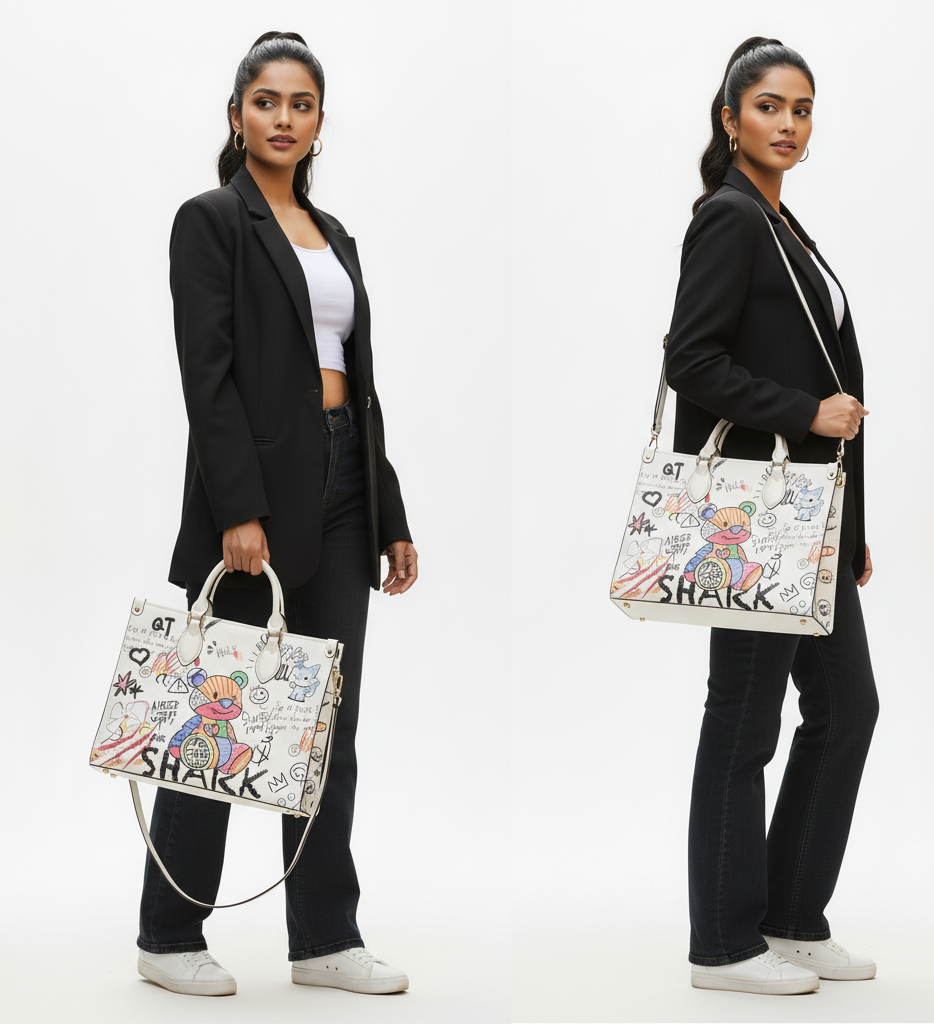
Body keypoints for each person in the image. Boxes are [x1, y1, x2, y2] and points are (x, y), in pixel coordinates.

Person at [135, 31, 418, 998]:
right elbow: (206, 380)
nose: (283, 118)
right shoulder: (210, 222)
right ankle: (169, 935)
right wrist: (236, 511)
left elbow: (361, 384)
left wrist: (390, 513)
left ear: (320, 122)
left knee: (326, 714)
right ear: (237, 114)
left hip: (346, 486)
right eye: (266, 101)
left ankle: (325, 937)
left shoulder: (336, 236)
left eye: (301, 104)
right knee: (225, 707)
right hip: (254, 495)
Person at [664, 37, 879, 996]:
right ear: (730, 120)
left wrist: (854, 523)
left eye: (800, 108)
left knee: (847, 706)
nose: (787, 124)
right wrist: (804, 416)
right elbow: (692, 361)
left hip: (812, 515)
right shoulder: (731, 219)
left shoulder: (784, 225)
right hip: (757, 516)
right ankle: (722, 944)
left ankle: (791, 915)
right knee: (745, 719)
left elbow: (829, 374)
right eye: (767, 107)